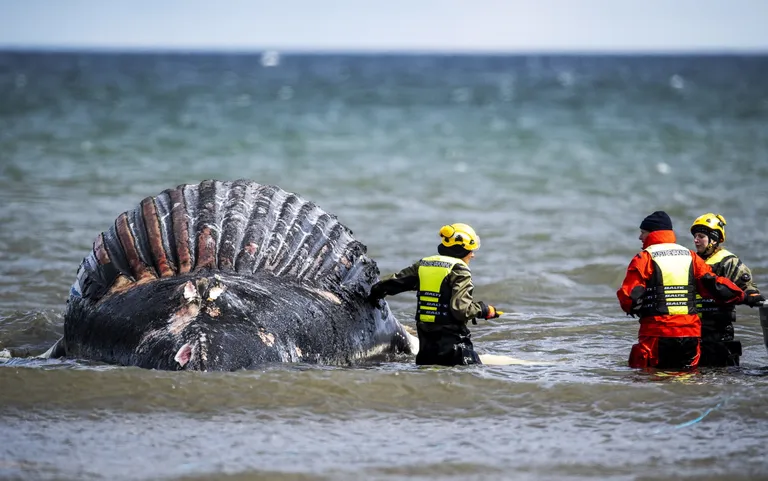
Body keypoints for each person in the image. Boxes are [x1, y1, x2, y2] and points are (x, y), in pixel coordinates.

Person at [617, 211, 744, 370]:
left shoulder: (644, 258)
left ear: (653, 233)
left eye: (643, 232)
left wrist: (632, 307)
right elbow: (714, 285)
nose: (640, 237)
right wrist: (742, 295)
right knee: (686, 378)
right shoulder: (690, 255)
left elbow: (629, 296)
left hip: (657, 333)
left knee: (652, 378)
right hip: (690, 334)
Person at [367, 223, 500, 366]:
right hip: (454, 348)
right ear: (461, 249)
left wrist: (372, 296)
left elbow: (391, 284)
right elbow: (461, 310)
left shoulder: (424, 264)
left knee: (428, 381)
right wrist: (484, 310)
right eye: (471, 250)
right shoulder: (460, 270)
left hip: (426, 349)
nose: (472, 255)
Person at [690, 213, 765, 366]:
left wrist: (751, 295)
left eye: (701, 236)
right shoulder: (693, 261)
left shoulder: (728, 261)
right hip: (695, 327)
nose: (695, 240)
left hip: (719, 328)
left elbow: (748, 287)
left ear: (714, 239)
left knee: (721, 369)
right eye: (695, 236)